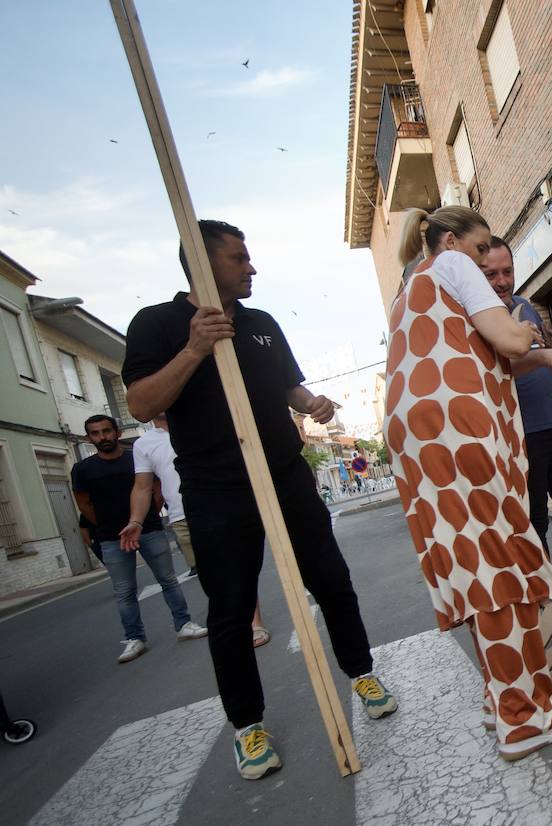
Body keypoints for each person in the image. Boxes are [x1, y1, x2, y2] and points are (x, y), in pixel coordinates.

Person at [122, 219, 395, 780]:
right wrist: (195, 348)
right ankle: (247, 726)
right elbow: (141, 403)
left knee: (332, 579)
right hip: (216, 487)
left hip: (285, 475)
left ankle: (362, 673)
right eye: (239, 258)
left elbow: (288, 386)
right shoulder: (157, 323)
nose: (252, 268)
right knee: (230, 609)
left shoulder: (262, 323)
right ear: (203, 264)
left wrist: (312, 402)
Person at [386, 205, 552, 761]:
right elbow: (510, 342)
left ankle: (501, 700)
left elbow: (489, 356)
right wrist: (527, 331)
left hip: (420, 442)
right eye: (480, 248)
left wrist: (530, 349)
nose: (485, 260)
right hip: (460, 429)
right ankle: (526, 718)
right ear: (450, 242)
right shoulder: (451, 265)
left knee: (473, 565)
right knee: (500, 565)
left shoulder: (407, 293)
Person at [121, 414, 271, 648]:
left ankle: (254, 623)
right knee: (213, 577)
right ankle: (235, 621)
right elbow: (142, 487)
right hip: (181, 518)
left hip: (219, 504)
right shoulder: (143, 444)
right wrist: (136, 521)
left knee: (237, 568)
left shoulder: (201, 421)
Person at [481, 235, 552, 551]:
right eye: (491, 274)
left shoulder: (525, 305)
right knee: (534, 522)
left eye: (508, 272)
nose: (502, 281)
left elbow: (546, 358)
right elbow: (496, 370)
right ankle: (542, 584)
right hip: (520, 436)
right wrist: (543, 356)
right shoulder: (480, 320)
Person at [71, 415, 206, 664]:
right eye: (95, 433)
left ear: (117, 433)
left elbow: (155, 488)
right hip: (112, 538)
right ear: (89, 438)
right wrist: (107, 525)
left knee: (168, 579)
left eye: (106, 431)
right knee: (124, 590)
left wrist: (146, 517)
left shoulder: (135, 455)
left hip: (150, 530)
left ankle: (184, 624)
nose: (102, 437)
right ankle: (134, 638)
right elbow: (83, 503)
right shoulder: (83, 469)